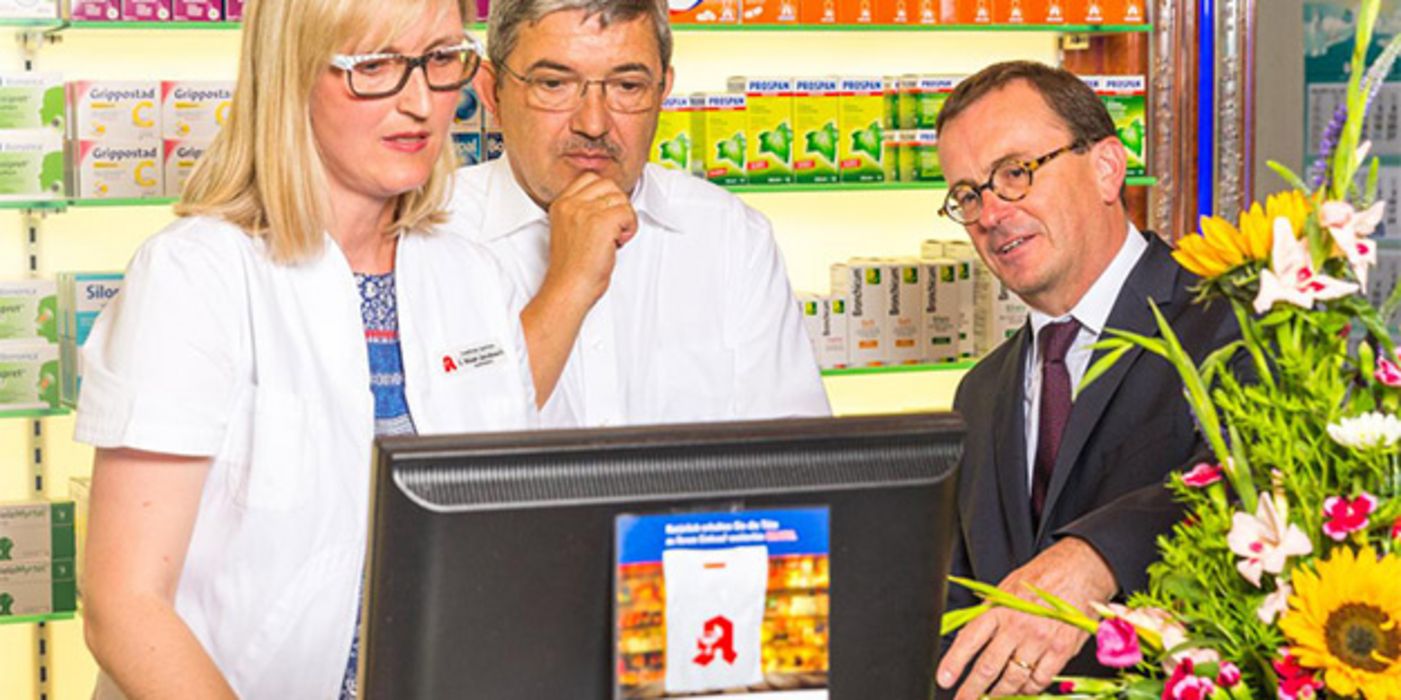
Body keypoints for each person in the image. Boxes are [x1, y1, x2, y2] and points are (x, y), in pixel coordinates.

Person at [76, 1, 538, 697]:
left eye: (441, 60)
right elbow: (124, 606)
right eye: (375, 67)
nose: (419, 103)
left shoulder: (473, 274)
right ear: (289, 75)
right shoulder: (196, 275)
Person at [931, 61, 1238, 699]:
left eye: (1015, 173)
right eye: (966, 194)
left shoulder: (1233, 321)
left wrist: (1094, 557)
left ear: (1106, 166)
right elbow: (960, 623)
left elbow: (1263, 487)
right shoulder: (980, 395)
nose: (990, 213)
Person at [446, 0, 830, 427]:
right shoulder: (431, 238)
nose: (593, 124)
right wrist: (569, 285)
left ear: (663, 90)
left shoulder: (730, 234)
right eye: (554, 83)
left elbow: (795, 462)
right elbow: (434, 457)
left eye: (627, 86)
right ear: (491, 90)